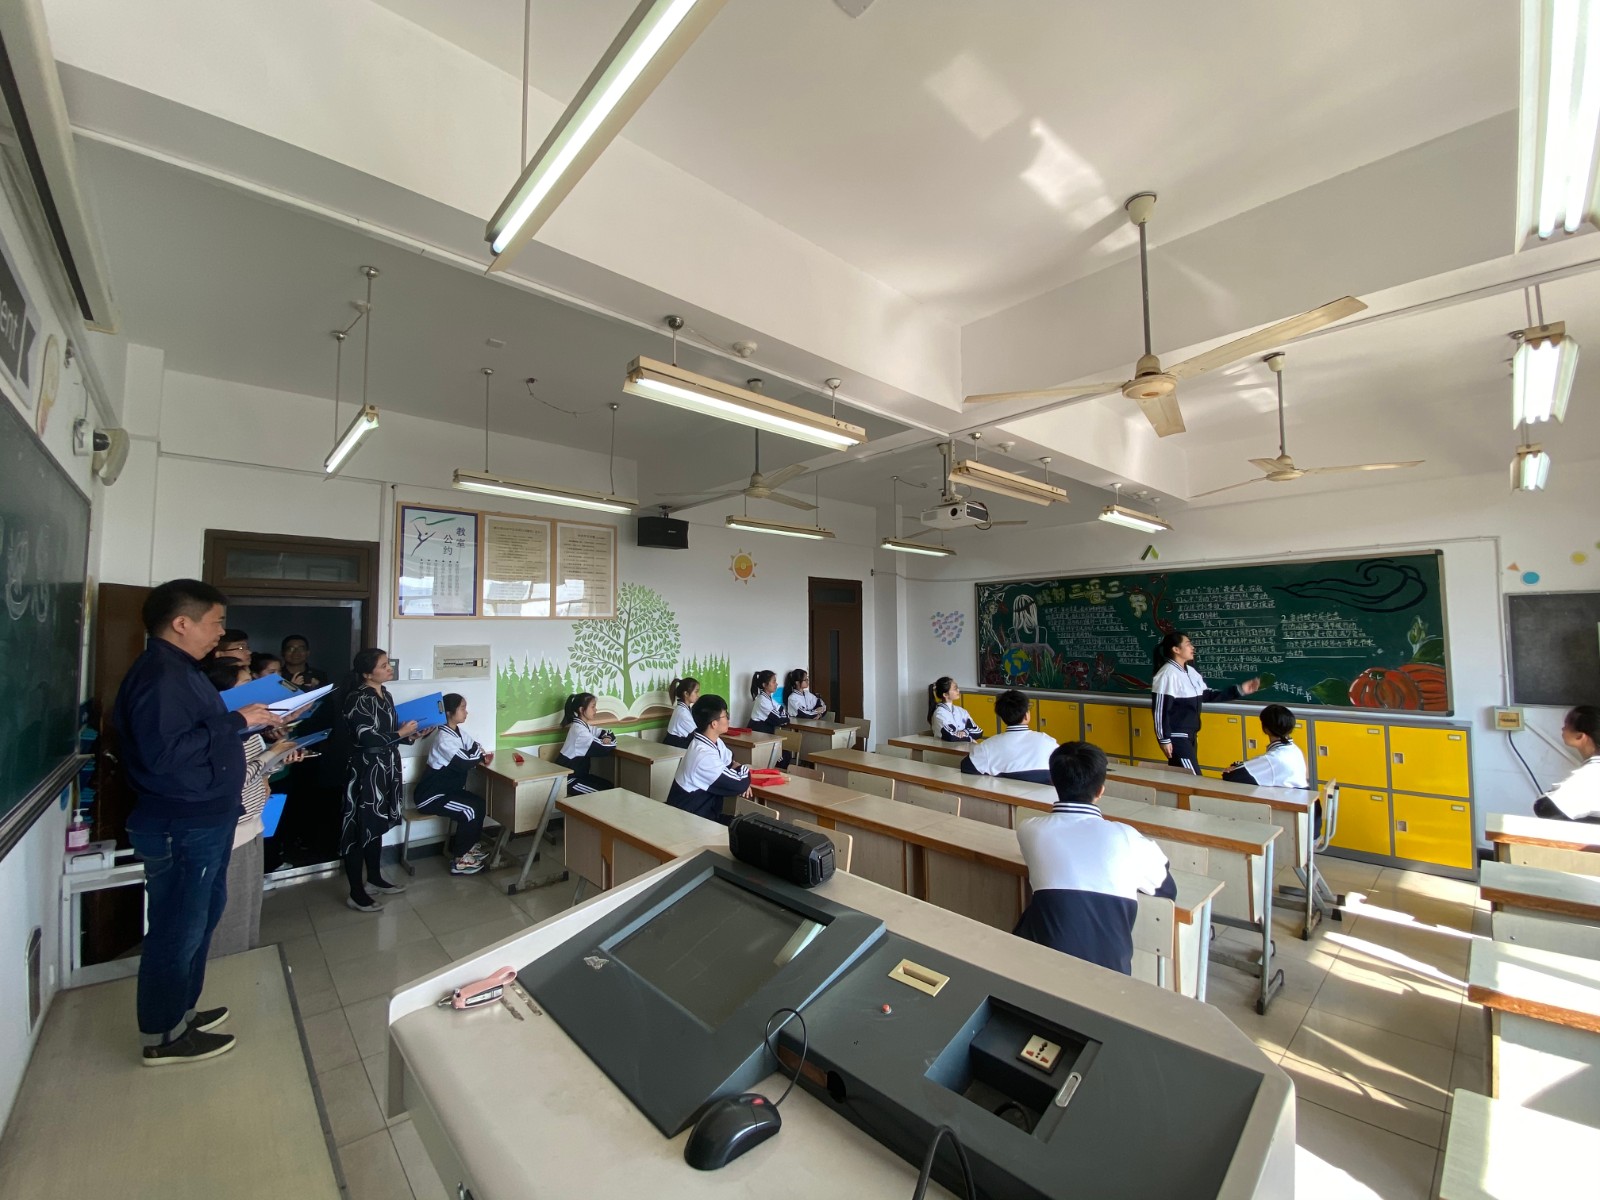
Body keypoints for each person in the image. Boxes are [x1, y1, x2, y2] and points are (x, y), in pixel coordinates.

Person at [112, 578, 284, 1065]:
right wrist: (237, 721)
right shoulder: (161, 678)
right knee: (178, 928)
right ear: (182, 623)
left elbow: (196, 738)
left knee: (200, 918)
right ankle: (164, 1036)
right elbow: (165, 754)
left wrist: (245, 724)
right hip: (182, 822)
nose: (221, 633)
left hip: (202, 818)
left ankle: (182, 1012)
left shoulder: (181, 671)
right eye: (216, 622)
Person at [1013, 742, 1178, 975]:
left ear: (1053, 783)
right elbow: (1167, 889)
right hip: (1111, 971)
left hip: (1042, 963)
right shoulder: (1127, 837)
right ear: (1101, 791)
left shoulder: (1030, 829)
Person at [202, 659, 304, 957]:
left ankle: (245, 963)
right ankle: (226, 971)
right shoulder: (218, 731)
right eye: (247, 684)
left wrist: (279, 758)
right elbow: (233, 778)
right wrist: (272, 753)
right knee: (228, 914)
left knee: (247, 906)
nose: (256, 690)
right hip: (231, 833)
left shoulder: (248, 728)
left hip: (252, 824)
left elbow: (257, 771)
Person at [339, 648, 422, 912]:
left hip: (387, 767)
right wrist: (400, 733)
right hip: (366, 770)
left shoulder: (385, 694)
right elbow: (367, 738)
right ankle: (356, 892)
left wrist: (411, 735)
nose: (389, 668)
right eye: (383, 665)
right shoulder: (357, 698)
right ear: (367, 673)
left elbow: (389, 733)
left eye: (389, 664)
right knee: (358, 829)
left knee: (375, 826)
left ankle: (374, 878)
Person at [1150, 631, 1260, 774]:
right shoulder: (1167, 674)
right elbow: (1160, 710)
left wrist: (1240, 690)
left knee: (1181, 778)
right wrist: (1163, 739)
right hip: (1177, 736)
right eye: (1188, 644)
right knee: (1193, 777)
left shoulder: (1190, 671)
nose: (1192, 648)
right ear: (1176, 649)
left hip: (1190, 735)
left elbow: (1207, 695)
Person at [413, 693, 494, 874]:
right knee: (469, 810)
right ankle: (460, 861)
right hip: (431, 796)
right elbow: (465, 761)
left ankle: (469, 849)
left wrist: (477, 754)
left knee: (479, 804)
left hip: (449, 791)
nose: (466, 712)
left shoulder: (458, 733)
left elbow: (475, 747)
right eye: (463, 708)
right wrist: (478, 755)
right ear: (449, 713)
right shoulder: (444, 739)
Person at [666, 694, 752, 823]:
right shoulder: (702, 755)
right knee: (745, 827)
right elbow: (739, 783)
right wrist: (742, 770)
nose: (728, 718)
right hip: (689, 821)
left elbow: (729, 762)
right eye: (725, 715)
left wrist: (740, 777)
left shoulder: (712, 741)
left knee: (744, 824)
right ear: (714, 724)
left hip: (703, 814)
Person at [961, 689, 1055, 783]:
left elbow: (966, 767)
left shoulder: (988, 746)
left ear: (1002, 717)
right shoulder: (1047, 741)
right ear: (1026, 716)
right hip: (1046, 792)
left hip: (1005, 791)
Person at [1533, 706, 1600, 823]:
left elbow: (1545, 807)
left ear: (1580, 736)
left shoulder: (1591, 773)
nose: (1563, 728)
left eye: (1567, 725)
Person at [1223, 705, 1309, 789]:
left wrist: (1235, 766)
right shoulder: (1294, 749)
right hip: (1301, 796)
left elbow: (1230, 775)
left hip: (1287, 798)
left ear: (1265, 729)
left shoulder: (1272, 758)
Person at [554, 692, 615, 795]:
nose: (596, 710)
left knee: (609, 786)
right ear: (581, 710)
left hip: (579, 776)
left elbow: (607, 732)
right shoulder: (580, 732)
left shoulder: (583, 726)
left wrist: (608, 737)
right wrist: (609, 740)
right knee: (603, 794)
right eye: (593, 707)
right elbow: (605, 748)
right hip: (568, 780)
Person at [929, 676, 983, 741]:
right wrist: (970, 739)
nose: (958, 690)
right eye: (955, 689)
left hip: (964, 746)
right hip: (945, 747)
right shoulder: (939, 714)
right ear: (945, 695)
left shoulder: (961, 711)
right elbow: (950, 736)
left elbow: (978, 731)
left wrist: (965, 732)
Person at [663, 677, 700, 749]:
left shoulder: (685, 709)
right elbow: (697, 733)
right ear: (686, 693)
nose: (698, 695)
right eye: (696, 692)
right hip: (674, 745)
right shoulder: (682, 712)